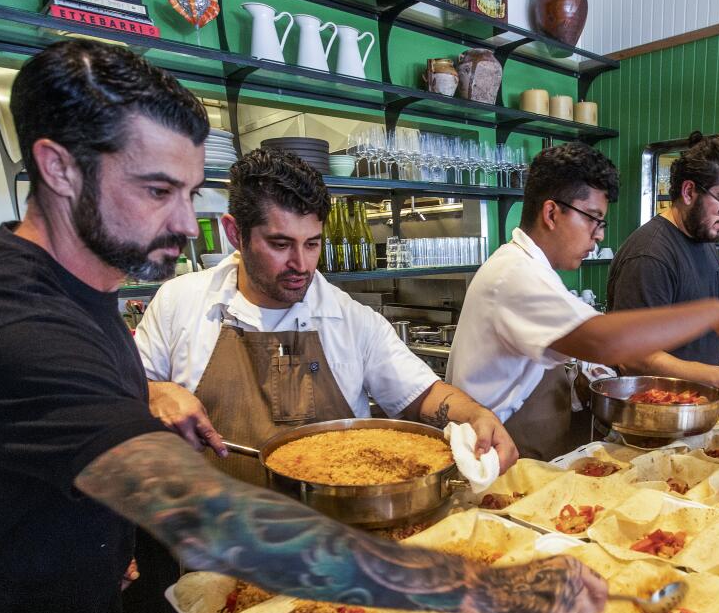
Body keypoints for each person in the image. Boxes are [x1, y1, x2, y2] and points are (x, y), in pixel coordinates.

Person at [0, 40, 605, 613]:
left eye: (189, 193)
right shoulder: (8, 323)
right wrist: (477, 586)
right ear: (58, 167)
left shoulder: (78, 297)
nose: (182, 226)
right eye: (156, 190)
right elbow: (211, 519)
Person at [134, 148, 518, 484]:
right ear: (235, 233)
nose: (301, 264)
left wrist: (474, 415)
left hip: (336, 537)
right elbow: (118, 395)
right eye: (280, 244)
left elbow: (423, 394)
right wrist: (155, 392)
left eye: (312, 243)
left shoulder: (350, 319)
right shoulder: (178, 303)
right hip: (216, 544)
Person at [446, 142, 719, 461]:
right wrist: (710, 314)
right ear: (552, 213)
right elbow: (602, 340)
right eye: (593, 219)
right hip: (491, 453)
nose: (599, 235)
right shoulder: (515, 273)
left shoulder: (529, 268)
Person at [605, 132, 719, 402]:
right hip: (657, 420)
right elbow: (634, 359)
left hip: (698, 411)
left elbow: (699, 327)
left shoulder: (703, 239)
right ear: (689, 192)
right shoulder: (650, 255)